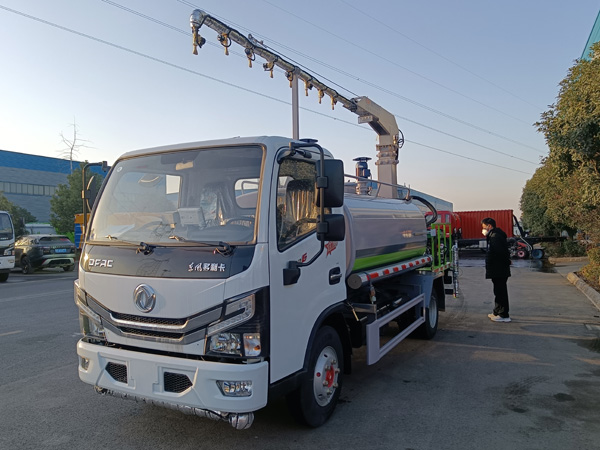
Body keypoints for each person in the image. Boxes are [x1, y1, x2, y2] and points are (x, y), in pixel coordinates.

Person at [481, 217, 512, 323]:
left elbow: (501, 254)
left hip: (499, 269)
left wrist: (506, 262)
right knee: (497, 291)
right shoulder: (493, 236)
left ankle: (504, 315)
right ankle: (497, 311)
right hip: (497, 269)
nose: (483, 229)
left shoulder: (495, 237)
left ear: (489, 226)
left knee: (501, 292)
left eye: (484, 227)